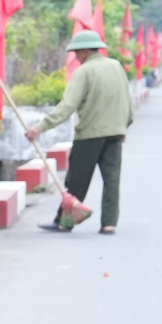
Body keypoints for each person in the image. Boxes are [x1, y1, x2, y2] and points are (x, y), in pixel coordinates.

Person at [27, 30, 133, 234]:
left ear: (85, 51)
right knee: (112, 179)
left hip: (90, 135)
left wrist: (39, 127)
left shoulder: (84, 72)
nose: (75, 56)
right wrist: (125, 126)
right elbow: (127, 101)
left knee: (77, 179)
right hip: (115, 132)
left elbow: (67, 107)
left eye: (76, 52)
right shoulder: (116, 66)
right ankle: (109, 223)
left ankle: (64, 222)